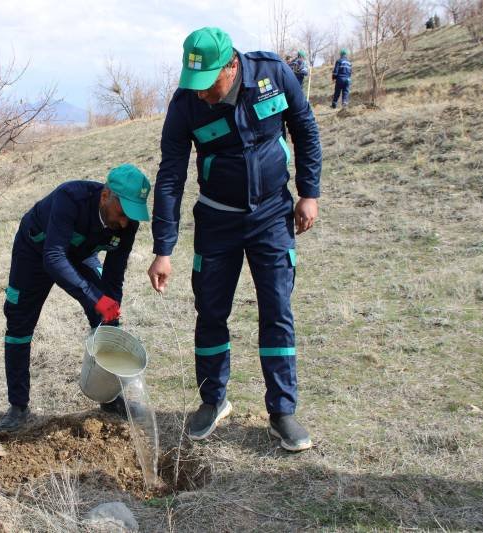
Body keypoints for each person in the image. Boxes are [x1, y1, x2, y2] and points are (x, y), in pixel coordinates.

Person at [147, 27, 321, 451]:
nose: (201, 94)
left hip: (271, 216)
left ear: (231, 66)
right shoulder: (186, 102)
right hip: (217, 221)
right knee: (210, 311)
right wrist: (162, 249)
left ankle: (282, 412)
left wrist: (309, 192)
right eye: (194, 85)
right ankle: (213, 400)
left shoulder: (273, 73)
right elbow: (171, 175)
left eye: (207, 84)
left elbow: (305, 127)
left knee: (277, 310)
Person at [0, 164, 151, 432]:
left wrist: (109, 305)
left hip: (80, 256)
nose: (126, 221)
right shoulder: (71, 197)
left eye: (132, 214)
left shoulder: (128, 223)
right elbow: (54, 258)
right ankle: (18, 406)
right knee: (18, 325)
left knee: (107, 318)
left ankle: (108, 398)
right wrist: (95, 298)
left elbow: (114, 275)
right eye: (122, 212)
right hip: (36, 252)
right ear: (105, 196)